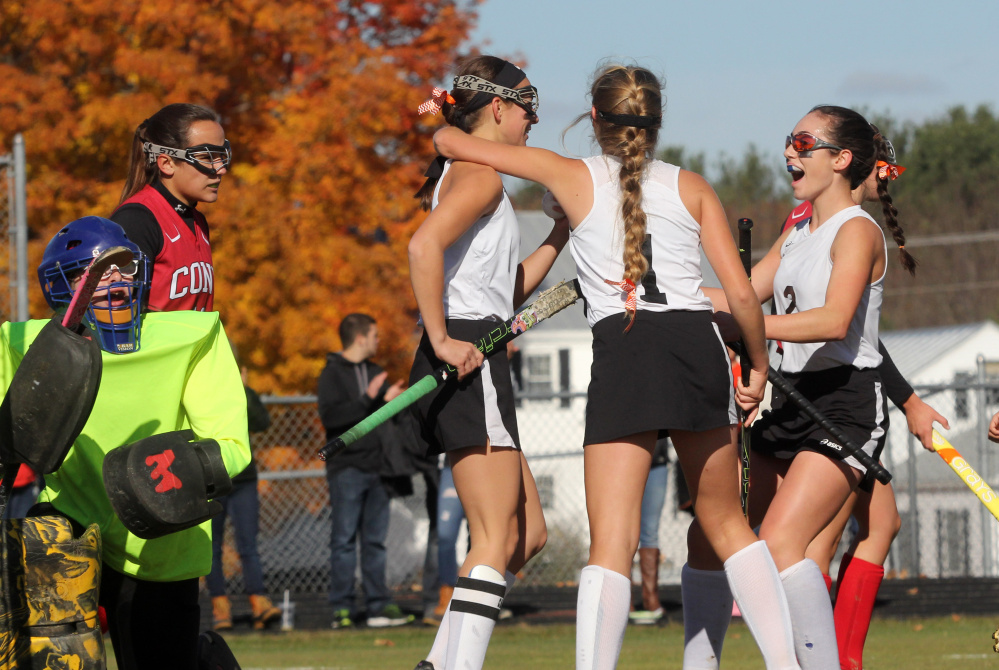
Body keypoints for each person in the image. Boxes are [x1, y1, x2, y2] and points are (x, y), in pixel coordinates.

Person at [433, 63, 800, 670]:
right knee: (730, 526)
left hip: (625, 346)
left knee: (611, 544)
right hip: (694, 345)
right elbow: (740, 297)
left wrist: (457, 110)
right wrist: (757, 365)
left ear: (596, 119)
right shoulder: (694, 186)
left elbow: (451, 141)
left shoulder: (568, 174)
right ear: (657, 123)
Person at [702, 105, 916, 669]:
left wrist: (751, 328)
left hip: (845, 402)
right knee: (754, 549)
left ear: (842, 159)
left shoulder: (858, 231)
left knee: (778, 546)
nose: (790, 152)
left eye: (804, 142)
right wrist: (676, 296)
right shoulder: (798, 224)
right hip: (793, 397)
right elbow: (746, 293)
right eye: (789, 141)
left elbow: (832, 321)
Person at [17, 215, 250, 669]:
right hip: (69, 531)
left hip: (160, 537)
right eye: (101, 270)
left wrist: (170, 478)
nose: (118, 280)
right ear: (64, 286)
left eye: (125, 267)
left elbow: (230, 445)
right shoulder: (22, 343)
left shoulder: (191, 336)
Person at [408, 55, 570, 670]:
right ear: (498, 108)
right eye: (529, 109)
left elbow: (504, 292)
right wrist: (443, 339)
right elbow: (422, 247)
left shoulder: (471, 173)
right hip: (468, 351)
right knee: (496, 537)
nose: (532, 122)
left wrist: (556, 237)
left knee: (526, 537)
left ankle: (439, 661)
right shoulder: (478, 173)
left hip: (481, 340)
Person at [784, 141, 949, 670]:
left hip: (819, 395)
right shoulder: (842, 227)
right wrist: (911, 404)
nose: (891, 182)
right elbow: (854, 343)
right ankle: (828, 659)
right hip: (834, 402)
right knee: (816, 543)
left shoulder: (817, 222)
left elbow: (857, 337)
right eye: (890, 171)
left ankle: (837, 654)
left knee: (881, 525)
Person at [318, 312, 414, 629]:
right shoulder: (331, 374)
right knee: (344, 540)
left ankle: (378, 605)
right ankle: (342, 608)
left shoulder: (375, 371)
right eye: (374, 335)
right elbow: (333, 418)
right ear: (360, 338)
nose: (378, 340)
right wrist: (371, 398)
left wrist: (392, 402)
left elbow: (386, 413)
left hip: (379, 468)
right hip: (347, 468)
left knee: (375, 541)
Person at [111, 103, 230, 312]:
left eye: (222, 156)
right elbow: (120, 317)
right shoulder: (137, 220)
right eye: (206, 157)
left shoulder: (198, 221)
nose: (220, 170)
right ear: (166, 163)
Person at [208, 361, 283, 631]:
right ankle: (220, 608)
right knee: (212, 546)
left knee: (248, 544)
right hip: (214, 478)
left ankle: (259, 604)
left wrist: (242, 389)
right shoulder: (205, 389)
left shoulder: (242, 392)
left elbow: (262, 422)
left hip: (244, 479)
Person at [628, 438, 670, 625]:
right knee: (623, 532)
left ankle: (651, 599)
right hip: (623, 458)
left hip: (657, 460)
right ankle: (623, 599)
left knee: (650, 532)